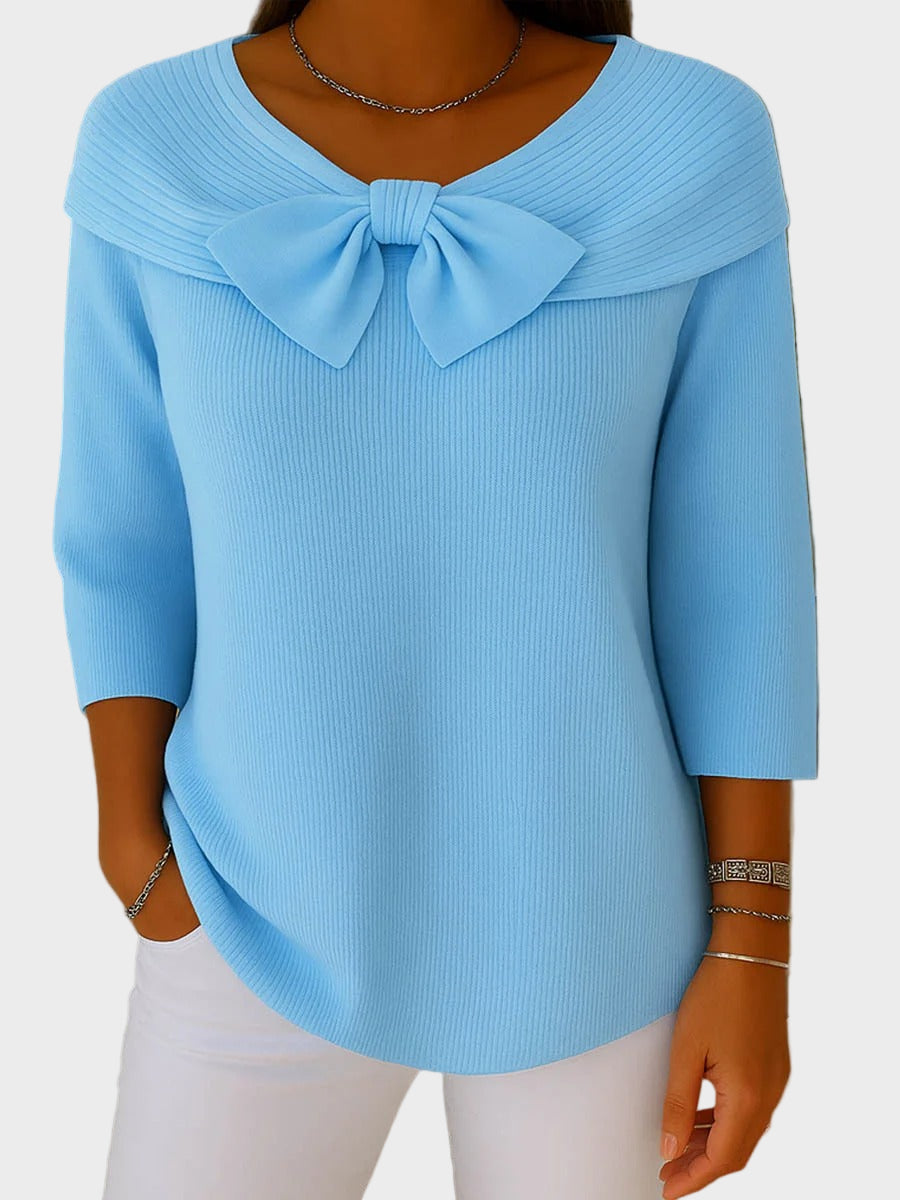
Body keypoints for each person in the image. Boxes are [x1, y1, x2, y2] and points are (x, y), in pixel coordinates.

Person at [52, 1, 819, 1197]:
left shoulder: (689, 141)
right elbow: (122, 529)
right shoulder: (152, 140)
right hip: (244, 902)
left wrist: (754, 941)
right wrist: (135, 855)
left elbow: (739, 571)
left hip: (598, 922)